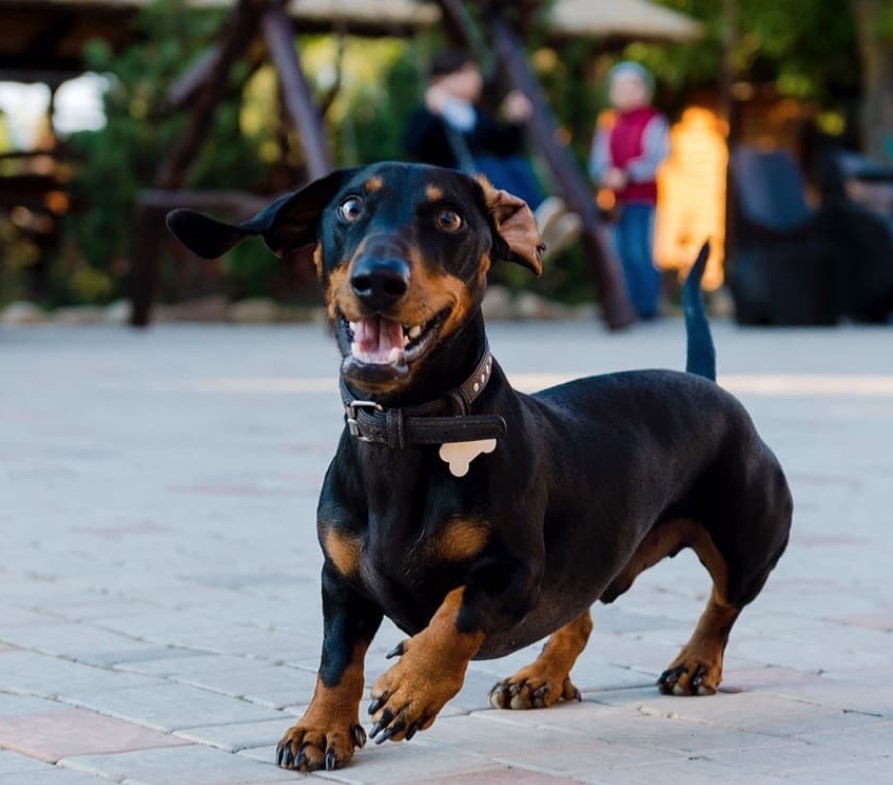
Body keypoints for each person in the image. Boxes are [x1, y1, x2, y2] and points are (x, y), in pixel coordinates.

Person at [404, 49, 580, 257]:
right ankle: (529, 223)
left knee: (515, 164)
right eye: (467, 73)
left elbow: (503, 146)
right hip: (451, 182)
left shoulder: (474, 114)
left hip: (481, 178)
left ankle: (541, 222)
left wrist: (515, 122)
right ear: (443, 79)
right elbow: (414, 146)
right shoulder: (429, 112)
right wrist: (433, 113)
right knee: (487, 165)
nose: (475, 80)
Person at [589, 62, 670, 320]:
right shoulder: (609, 124)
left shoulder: (654, 121)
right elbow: (598, 161)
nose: (625, 93)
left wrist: (629, 173)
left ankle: (648, 305)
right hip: (617, 202)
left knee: (640, 249)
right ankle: (628, 303)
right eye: (619, 87)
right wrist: (607, 175)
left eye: (631, 86)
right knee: (619, 251)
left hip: (643, 200)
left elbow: (658, 157)